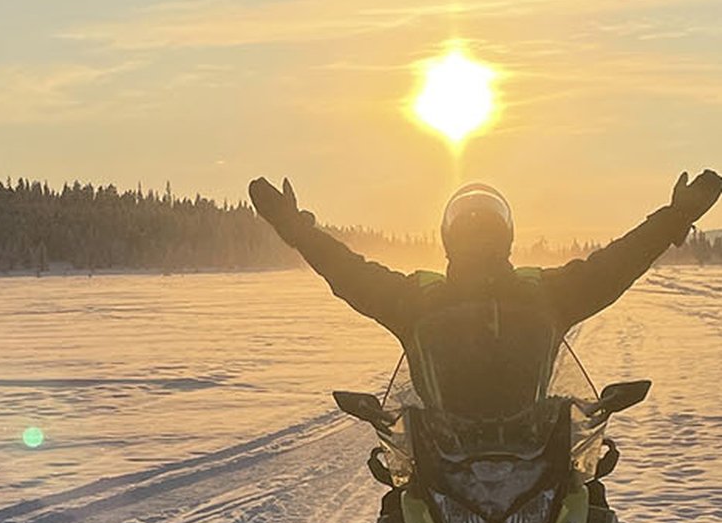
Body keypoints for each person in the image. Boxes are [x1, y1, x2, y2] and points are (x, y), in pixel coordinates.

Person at [248, 171, 722, 415]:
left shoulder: (421, 297)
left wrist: (296, 229)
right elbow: (616, 263)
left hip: (541, 462)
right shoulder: (543, 292)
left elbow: (347, 272)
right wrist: (674, 218)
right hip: (438, 467)